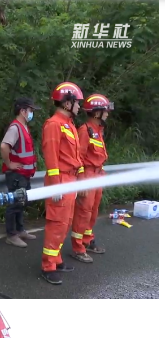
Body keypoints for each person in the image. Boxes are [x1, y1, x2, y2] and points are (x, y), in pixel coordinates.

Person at [40, 81, 85, 285]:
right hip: (60, 180)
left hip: (70, 180)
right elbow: (51, 156)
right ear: (67, 104)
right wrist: (57, 184)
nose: (79, 106)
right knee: (57, 224)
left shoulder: (70, 125)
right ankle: (47, 266)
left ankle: (56, 260)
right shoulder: (54, 124)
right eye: (76, 102)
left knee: (65, 224)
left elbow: (75, 156)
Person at [71, 93, 112, 262]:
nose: (107, 114)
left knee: (93, 212)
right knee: (83, 213)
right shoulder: (85, 131)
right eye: (105, 111)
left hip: (97, 175)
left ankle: (87, 240)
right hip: (87, 175)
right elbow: (78, 157)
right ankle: (77, 248)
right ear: (96, 113)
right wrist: (81, 181)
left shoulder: (98, 131)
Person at [0, 97, 40, 247]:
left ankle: (20, 230)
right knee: (14, 204)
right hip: (16, 175)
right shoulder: (15, 128)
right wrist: (9, 164)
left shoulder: (23, 127)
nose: (32, 113)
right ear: (23, 111)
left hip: (24, 175)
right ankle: (11, 235)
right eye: (30, 110)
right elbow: (4, 146)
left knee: (21, 203)